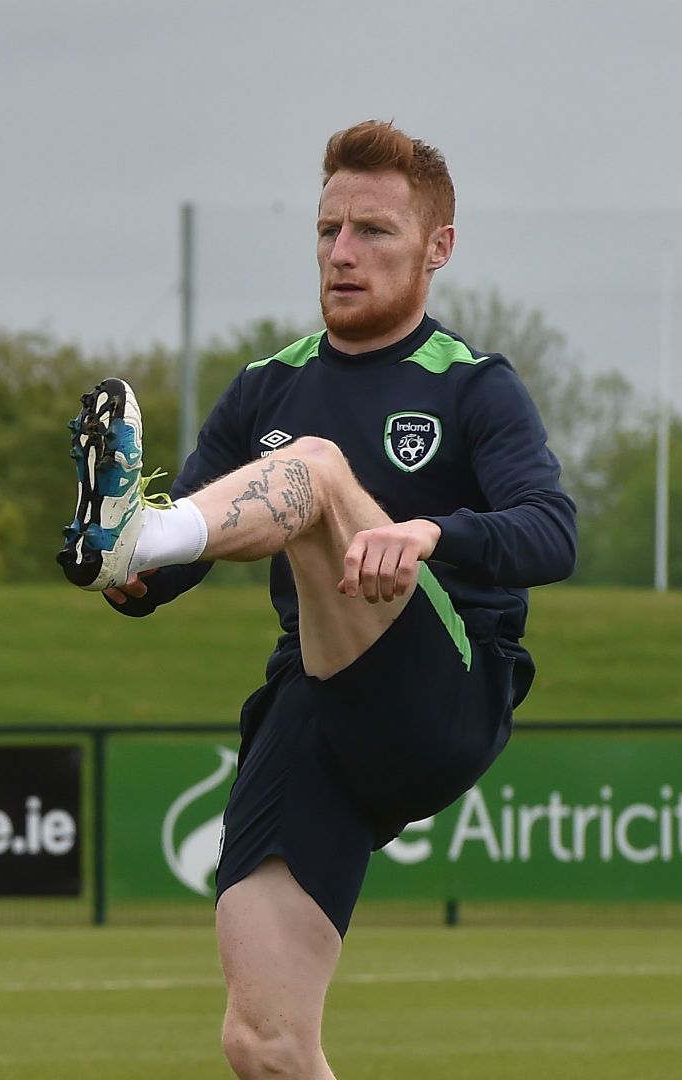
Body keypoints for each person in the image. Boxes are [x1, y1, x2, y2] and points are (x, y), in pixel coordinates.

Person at [58, 120, 576, 1079]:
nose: (342, 253)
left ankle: (134, 522)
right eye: (329, 229)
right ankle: (129, 533)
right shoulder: (266, 385)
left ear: (437, 249)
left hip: (445, 691)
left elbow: (553, 532)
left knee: (318, 473)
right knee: (264, 1046)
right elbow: (177, 576)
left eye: (373, 232)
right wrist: (134, 582)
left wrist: (430, 533)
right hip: (316, 702)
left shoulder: (474, 387)